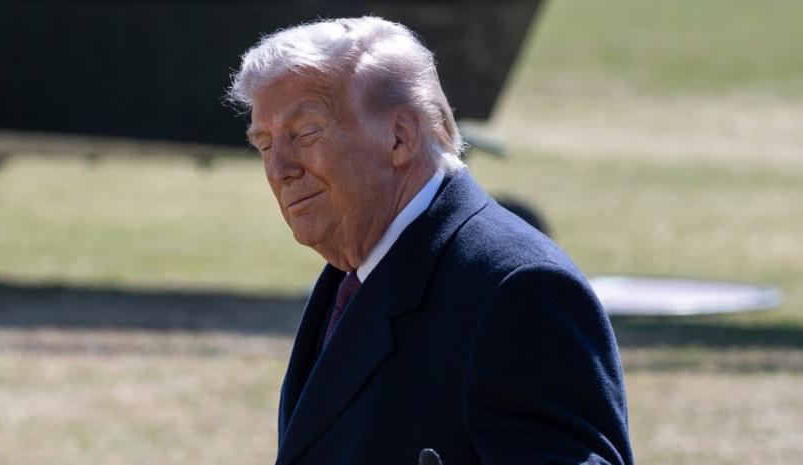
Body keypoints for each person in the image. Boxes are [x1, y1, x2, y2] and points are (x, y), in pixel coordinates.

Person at [227, 16, 634, 465]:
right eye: (265, 144)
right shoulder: (354, 272)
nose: (279, 169)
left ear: (400, 137)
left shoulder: (517, 289)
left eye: (305, 133)